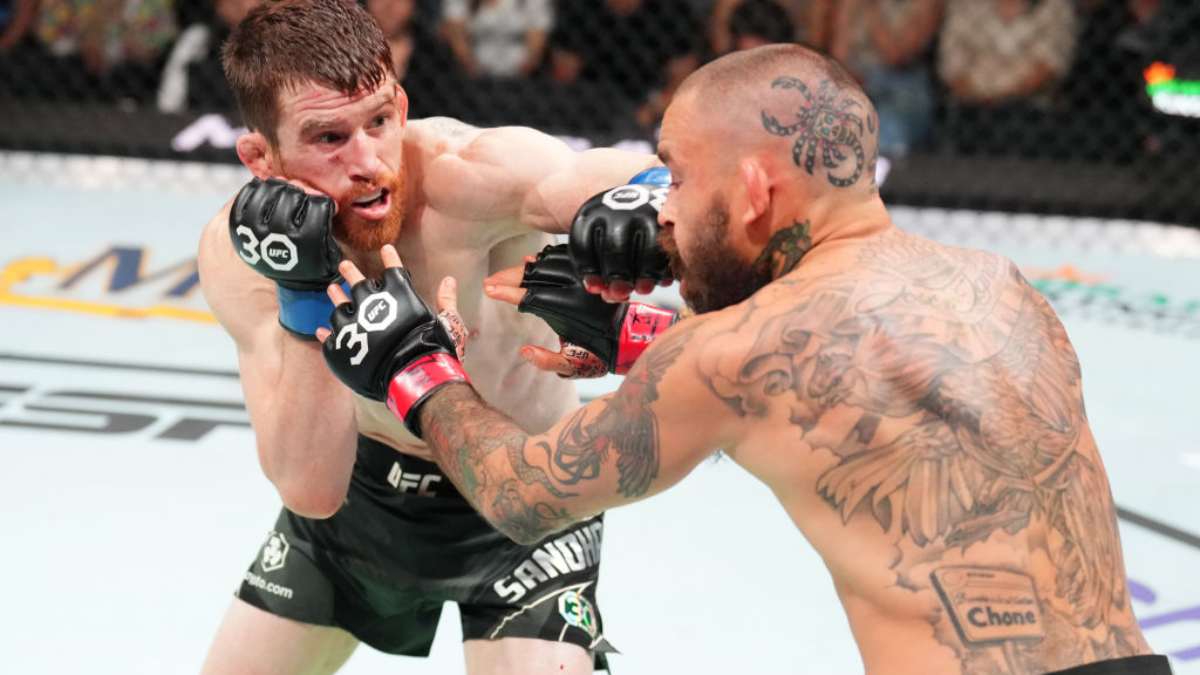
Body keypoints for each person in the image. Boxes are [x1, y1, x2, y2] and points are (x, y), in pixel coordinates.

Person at [318, 44, 1172, 674]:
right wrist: (647, 337)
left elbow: (525, 494)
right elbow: (851, 390)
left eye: (679, 182)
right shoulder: (1000, 287)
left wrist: (415, 363)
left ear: (757, 189)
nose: (667, 213)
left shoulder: (733, 356)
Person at [195, 0, 658, 672]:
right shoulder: (239, 256)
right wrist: (304, 292)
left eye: (379, 121)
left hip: (525, 495)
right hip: (360, 504)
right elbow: (311, 486)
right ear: (260, 157)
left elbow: (586, 177)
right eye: (329, 138)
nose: (367, 161)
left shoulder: (464, 175)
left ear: (402, 106)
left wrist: (644, 193)